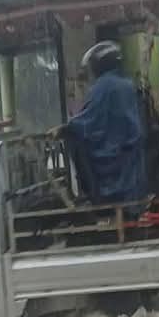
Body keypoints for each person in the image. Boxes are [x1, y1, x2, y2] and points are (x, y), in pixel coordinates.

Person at [58, 40, 147, 204]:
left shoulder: (103, 86)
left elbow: (89, 119)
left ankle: (92, 193)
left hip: (113, 161)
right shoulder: (127, 84)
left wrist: (66, 128)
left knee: (75, 140)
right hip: (131, 160)